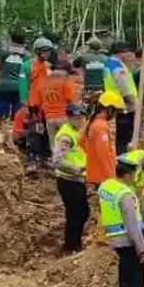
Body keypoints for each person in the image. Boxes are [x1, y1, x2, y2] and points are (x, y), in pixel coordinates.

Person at [99, 156, 144, 287]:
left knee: (126, 274)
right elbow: (132, 227)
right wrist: (143, 249)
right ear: (128, 175)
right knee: (133, 278)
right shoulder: (125, 195)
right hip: (129, 240)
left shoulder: (106, 186)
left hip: (115, 238)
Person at [51, 104, 90, 254]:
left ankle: (74, 243)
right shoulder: (66, 136)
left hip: (77, 180)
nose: (80, 121)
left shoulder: (77, 132)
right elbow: (57, 161)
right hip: (69, 180)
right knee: (77, 213)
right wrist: (77, 169)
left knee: (80, 213)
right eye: (76, 118)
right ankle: (71, 246)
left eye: (82, 118)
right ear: (69, 118)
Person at [0, 31, 29, 146]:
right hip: (19, 86)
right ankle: (15, 127)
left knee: (1, 103)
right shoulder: (27, 55)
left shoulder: (5, 52)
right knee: (18, 108)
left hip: (4, 85)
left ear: (11, 40)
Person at [104, 42, 139, 155]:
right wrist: (132, 100)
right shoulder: (117, 67)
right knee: (124, 135)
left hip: (114, 102)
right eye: (126, 52)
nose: (128, 55)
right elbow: (123, 84)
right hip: (123, 104)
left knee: (119, 134)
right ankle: (122, 157)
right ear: (121, 53)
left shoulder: (109, 63)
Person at [84, 95, 119, 189]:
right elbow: (103, 154)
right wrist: (110, 176)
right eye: (115, 111)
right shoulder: (101, 127)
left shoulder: (93, 122)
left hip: (94, 173)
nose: (115, 115)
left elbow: (82, 142)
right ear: (108, 110)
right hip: (101, 176)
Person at [72, 37, 108, 108]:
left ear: (90, 47)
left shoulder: (83, 57)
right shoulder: (106, 58)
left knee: (85, 108)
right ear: (100, 47)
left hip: (88, 87)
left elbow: (75, 64)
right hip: (103, 87)